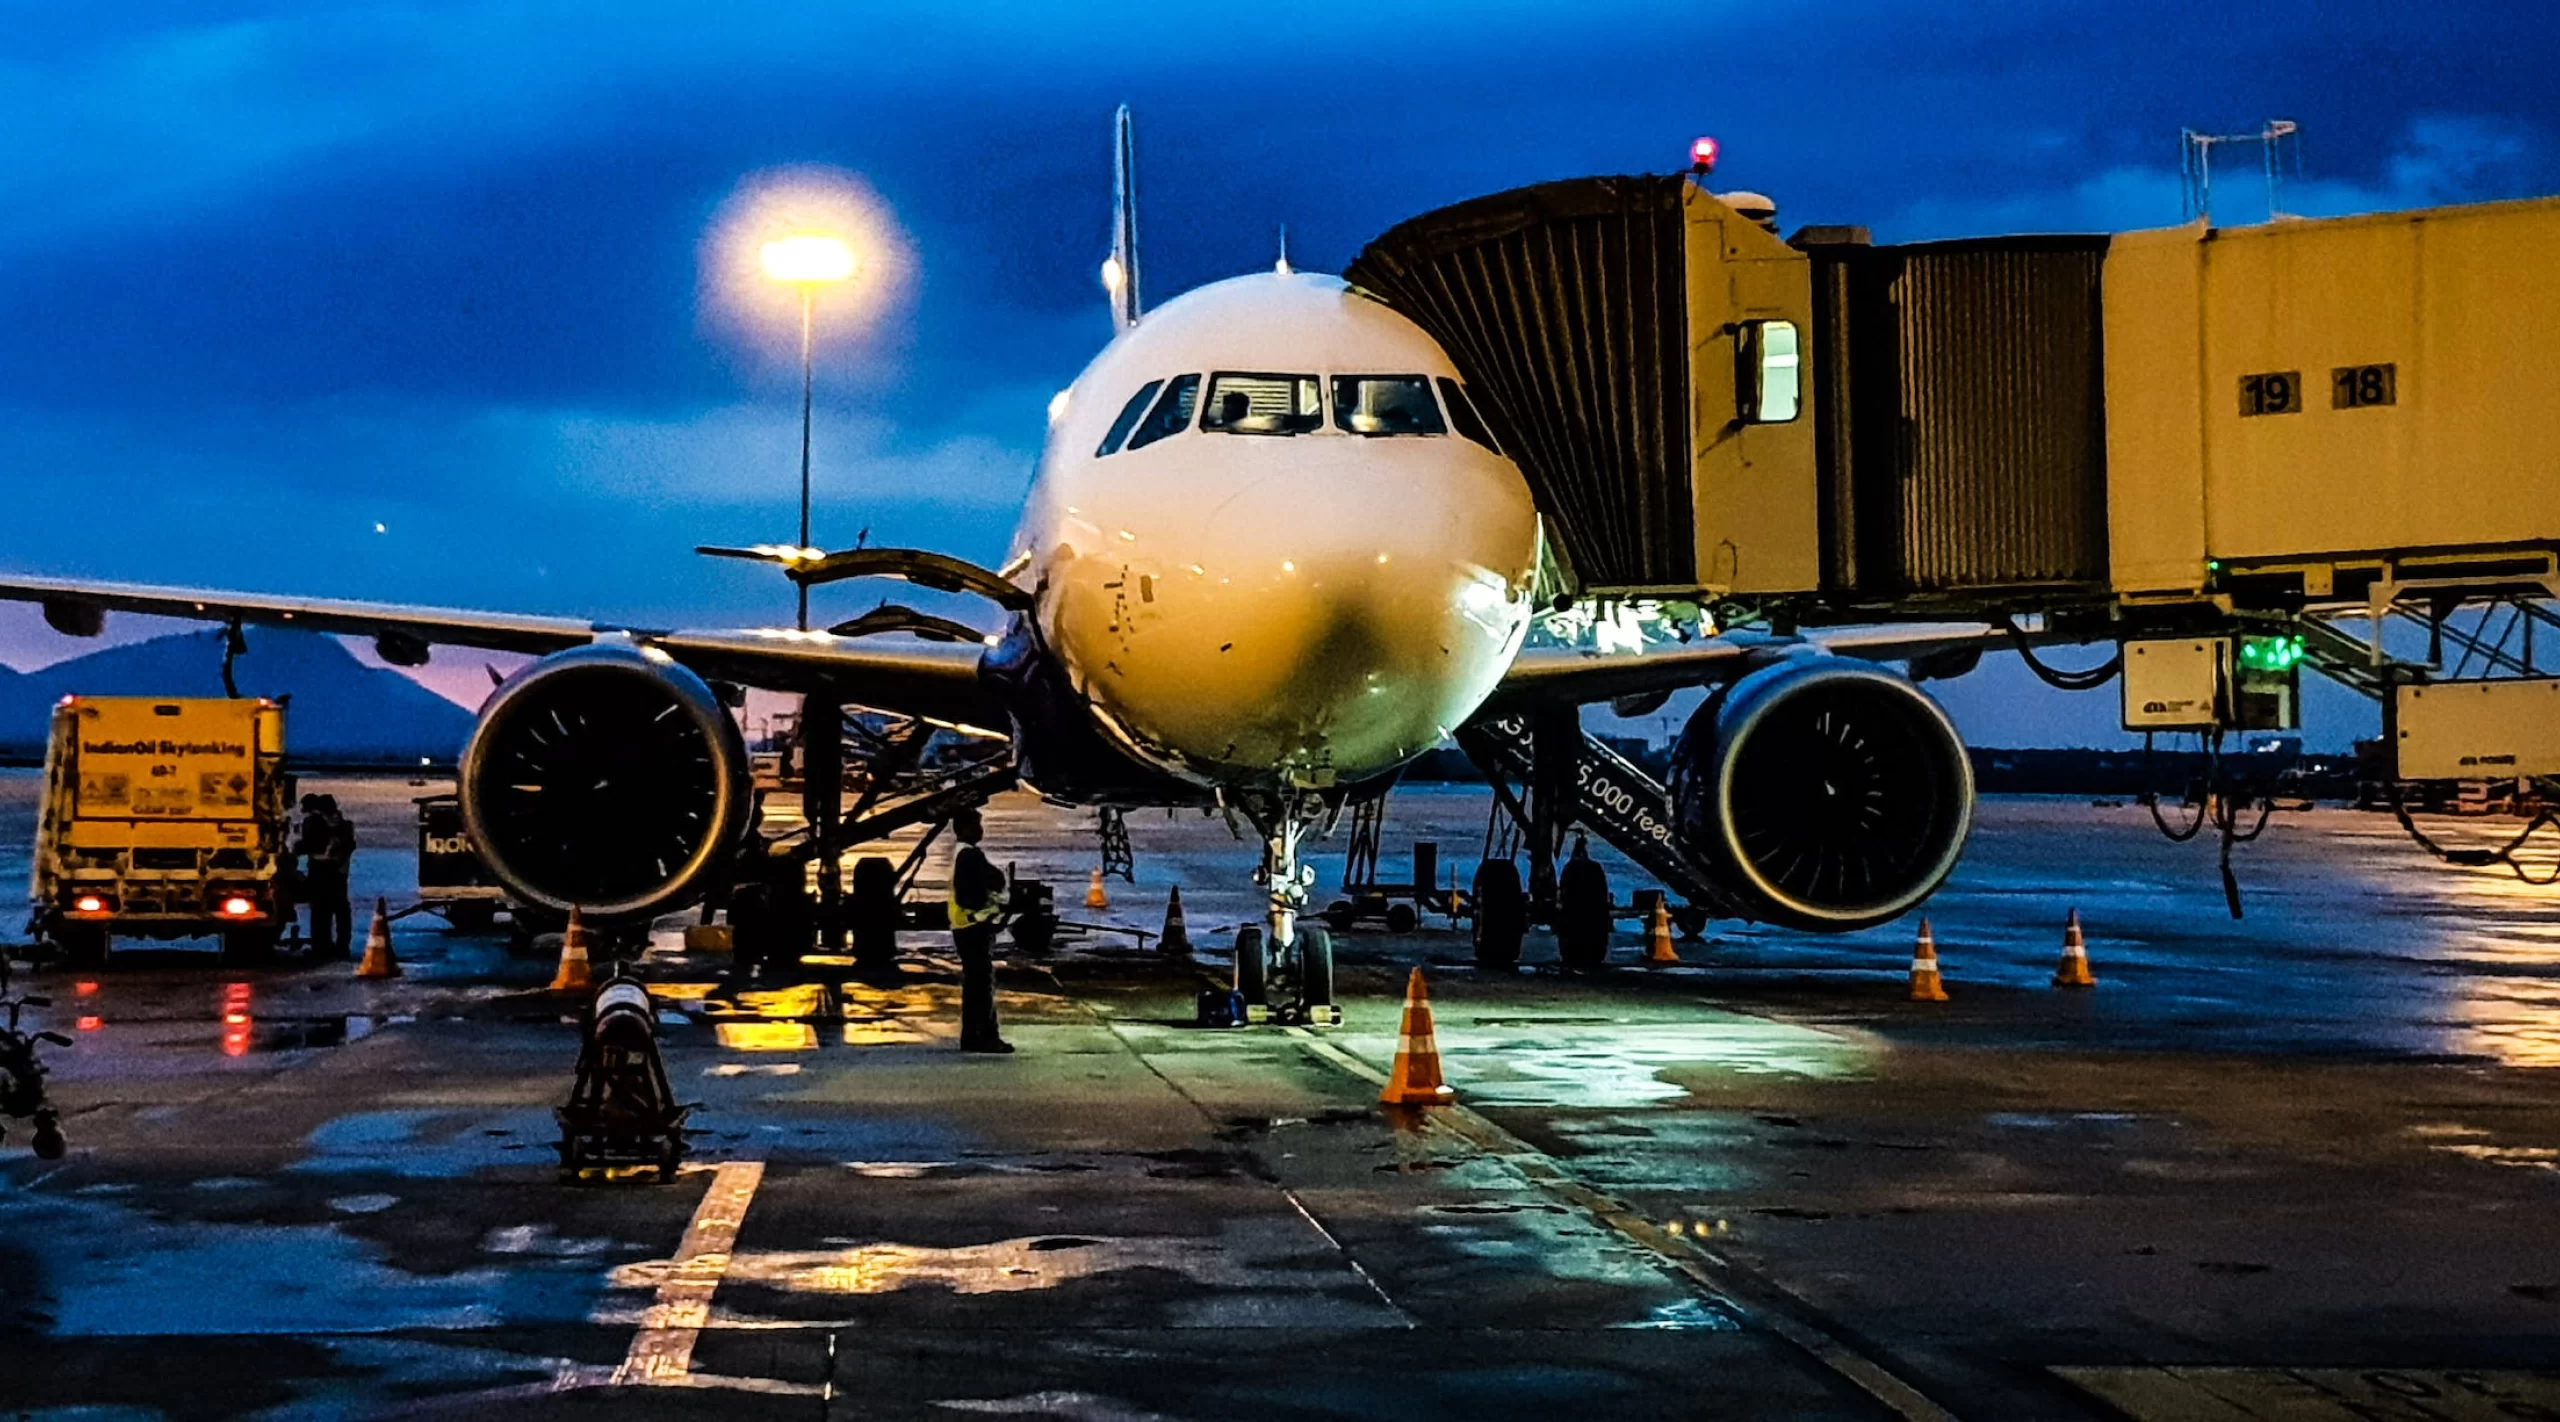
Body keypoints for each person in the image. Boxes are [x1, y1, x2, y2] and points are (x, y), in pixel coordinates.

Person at [945, 809, 1011, 1053]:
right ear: (963, 829)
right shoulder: (970, 856)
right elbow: (971, 893)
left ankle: (973, 1036)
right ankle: (984, 1037)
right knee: (980, 986)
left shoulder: (962, 854)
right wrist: (986, 907)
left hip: (965, 927)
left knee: (976, 985)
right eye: (976, 826)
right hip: (972, 927)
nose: (980, 830)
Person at [298, 794, 355, 959]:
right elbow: (348, 846)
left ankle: (321, 947)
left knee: (320, 912)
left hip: (320, 871)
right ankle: (342, 947)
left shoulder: (313, 823)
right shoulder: (345, 825)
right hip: (339, 873)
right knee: (340, 910)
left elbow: (306, 845)